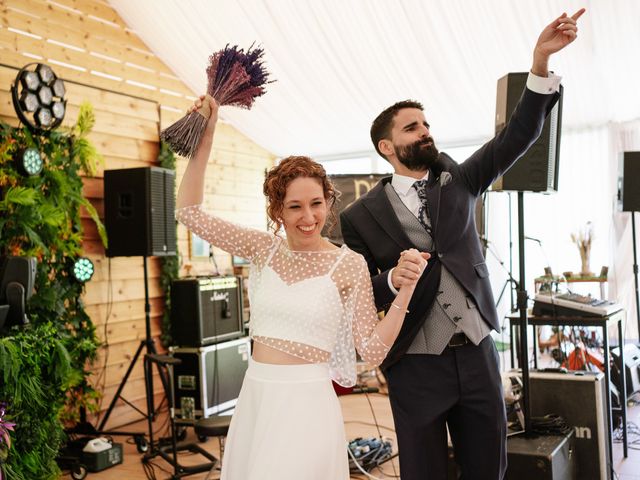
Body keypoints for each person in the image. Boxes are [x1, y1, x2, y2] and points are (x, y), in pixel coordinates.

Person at [340, 9, 586, 480]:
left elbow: (519, 134)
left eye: (426, 123)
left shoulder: (461, 179)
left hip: (477, 354)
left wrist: (538, 63)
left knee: (487, 469)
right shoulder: (358, 216)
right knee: (424, 472)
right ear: (386, 147)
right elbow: (360, 289)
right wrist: (391, 278)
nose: (426, 131)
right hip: (414, 364)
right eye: (412, 127)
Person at [175, 96, 426, 479]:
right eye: (294, 207)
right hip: (258, 396)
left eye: (316, 203)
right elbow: (188, 212)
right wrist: (207, 133)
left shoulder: (349, 265)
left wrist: (405, 291)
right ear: (277, 211)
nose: (308, 217)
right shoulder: (261, 249)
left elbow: (372, 351)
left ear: (328, 201)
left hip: (308, 405)